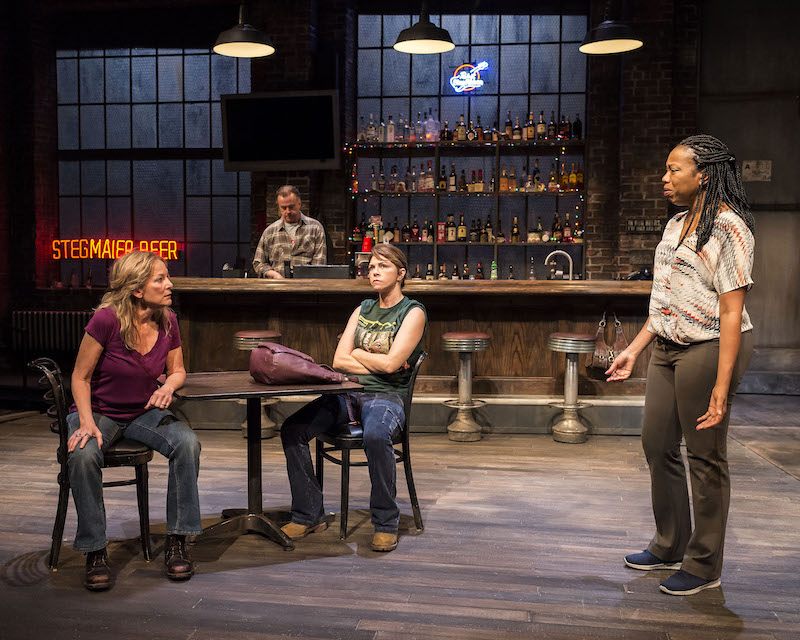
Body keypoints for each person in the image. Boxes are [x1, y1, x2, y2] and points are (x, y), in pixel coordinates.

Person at [606, 135, 755, 596]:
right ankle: (670, 542)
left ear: (703, 174)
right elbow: (665, 300)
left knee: (706, 455)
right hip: (668, 346)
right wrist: (635, 347)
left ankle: (704, 563)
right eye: (666, 170)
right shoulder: (675, 226)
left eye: (674, 170)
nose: (664, 178)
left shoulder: (729, 229)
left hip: (709, 346)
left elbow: (732, 312)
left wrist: (722, 384)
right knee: (657, 442)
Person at [68, 251, 202, 590]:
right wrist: (86, 422)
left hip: (143, 412)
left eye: (166, 277)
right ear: (137, 289)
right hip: (100, 412)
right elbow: (79, 378)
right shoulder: (106, 320)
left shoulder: (168, 319)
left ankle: (177, 540)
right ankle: (95, 549)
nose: (169, 284)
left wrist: (169, 385)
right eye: (160, 279)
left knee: (187, 442)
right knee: (83, 456)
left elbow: (179, 370)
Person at [280, 244, 426, 552]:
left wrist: (358, 353)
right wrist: (372, 356)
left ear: (400, 274)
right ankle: (308, 514)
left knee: (375, 434)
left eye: (382, 266)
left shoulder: (412, 312)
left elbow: (389, 367)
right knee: (293, 429)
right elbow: (338, 361)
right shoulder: (362, 309)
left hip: (387, 397)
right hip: (347, 392)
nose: (373, 271)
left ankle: (386, 522)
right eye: (371, 266)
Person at [252, 185, 327, 278]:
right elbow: (258, 263)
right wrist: (274, 274)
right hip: (277, 288)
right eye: (283, 208)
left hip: (307, 287)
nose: (288, 211)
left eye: (291, 207)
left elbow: (319, 263)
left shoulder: (315, 228)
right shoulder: (270, 232)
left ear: (299, 203)